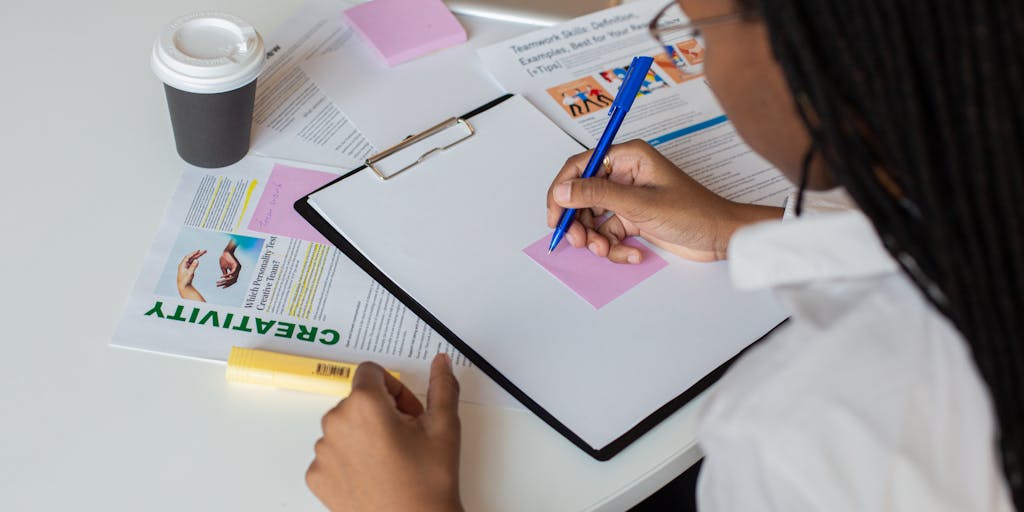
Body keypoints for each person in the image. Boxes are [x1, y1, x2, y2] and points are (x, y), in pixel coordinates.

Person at [305, 0, 1023, 510]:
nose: (702, 66)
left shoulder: (798, 434)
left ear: (816, 60)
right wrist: (735, 227)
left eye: (700, 31)